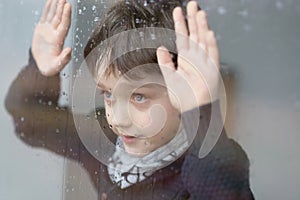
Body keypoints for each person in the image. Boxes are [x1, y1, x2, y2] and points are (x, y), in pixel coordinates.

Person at [5, 0, 254, 199]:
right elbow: (31, 124)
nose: (118, 119)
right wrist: (39, 70)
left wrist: (200, 110)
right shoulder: (106, 140)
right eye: (108, 94)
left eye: (139, 97)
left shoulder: (205, 169)